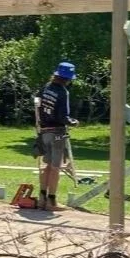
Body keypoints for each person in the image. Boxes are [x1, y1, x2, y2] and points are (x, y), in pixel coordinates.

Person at [37, 62, 78, 211]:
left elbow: (38, 107)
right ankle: (52, 201)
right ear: (67, 79)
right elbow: (63, 116)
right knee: (55, 167)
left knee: (46, 166)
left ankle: (41, 198)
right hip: (57, 133)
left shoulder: (45, 89)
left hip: (44, 132)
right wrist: (73, 122)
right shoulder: (62, 92)